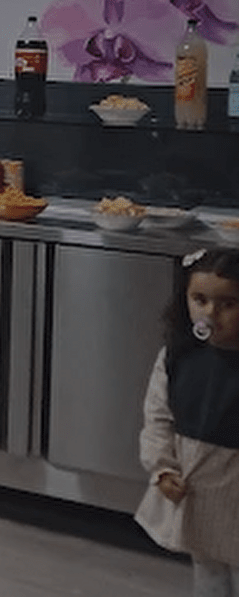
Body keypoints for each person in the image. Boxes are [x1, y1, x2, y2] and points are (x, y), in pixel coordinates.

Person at [138, 247, 239, 596]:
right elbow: (158, 417)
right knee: (208, 571)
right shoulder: (178, 356)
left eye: (228, 304)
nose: (210, 313)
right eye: (200, 300)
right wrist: (162, 467)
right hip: (200, 490)